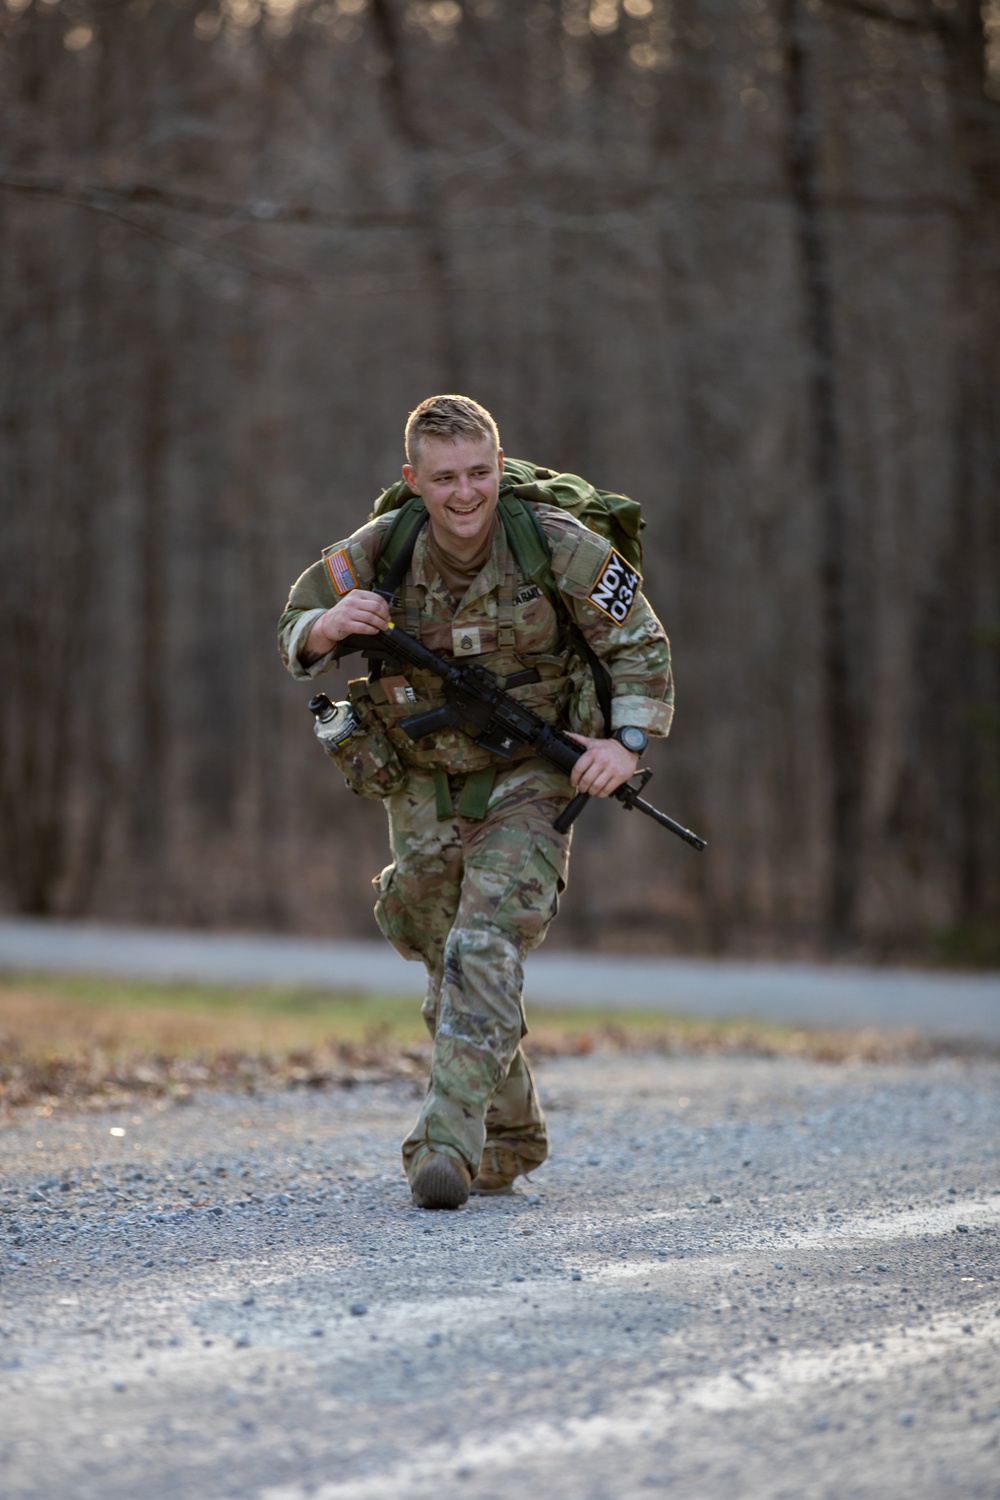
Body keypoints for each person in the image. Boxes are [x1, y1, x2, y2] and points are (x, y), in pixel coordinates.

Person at [278, 395, 673, 1210]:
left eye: (481, 473)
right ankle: (517, 1129)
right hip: (421, 777)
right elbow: (295, 620)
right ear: (413, 479)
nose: (466, 495)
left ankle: (444, 1150)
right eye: (446, 477)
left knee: (482, 948)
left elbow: (640, 643)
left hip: (535, 774)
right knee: (435, 947)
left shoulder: (555, 544)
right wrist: (325, 626)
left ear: (500, 465)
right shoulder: (381, 548)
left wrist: (621, 745)